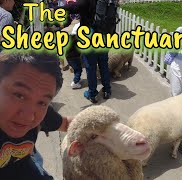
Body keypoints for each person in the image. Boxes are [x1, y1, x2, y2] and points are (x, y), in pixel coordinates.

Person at [0, 51, 73, 179]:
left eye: (42, 102)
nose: (29, 118)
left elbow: (68, 124)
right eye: (19, 95)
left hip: (24, 166)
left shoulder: (42, 114)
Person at [52, 0, 112, 103]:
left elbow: (74, 7)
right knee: (103, 64)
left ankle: (92, 94)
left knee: (91, 66)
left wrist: (55, 9)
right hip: (104, 36)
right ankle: (107, 90)